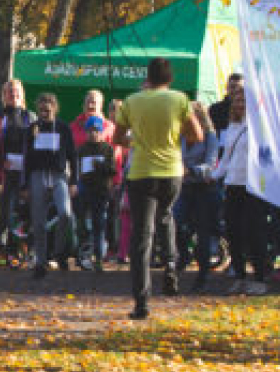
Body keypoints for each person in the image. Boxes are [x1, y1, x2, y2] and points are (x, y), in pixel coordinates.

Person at [113, 57, 204, 319]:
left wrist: (137, 138)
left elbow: (118, 138)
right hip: (172, 172)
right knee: (165, 217)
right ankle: (172, 266)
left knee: (142, 236)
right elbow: (196, 136)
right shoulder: (179, 100)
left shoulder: (132, 100)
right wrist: (173, 134)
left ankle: (142, 302)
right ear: (170, 78)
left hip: (142, 172)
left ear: (148, 77)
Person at [214, 88, 268, 296]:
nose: (239, 104)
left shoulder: (258, 127)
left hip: (253, 187)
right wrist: (215, 174)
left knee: (255, 232)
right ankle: (239, 276)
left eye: (244, 101)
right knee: (233, 232)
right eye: (236, 100)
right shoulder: (232, 127)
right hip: (233, 184)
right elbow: (226, 158)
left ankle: (260, 277)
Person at [22, 93, 76, 277]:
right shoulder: (33, 128)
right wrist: (24, 184)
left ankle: (59, 252)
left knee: (65, 214)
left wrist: (74, 181)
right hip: (37, 176)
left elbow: (72, 155)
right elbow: (27, 158)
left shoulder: (63, 128)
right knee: (38, 221)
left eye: (49, 107)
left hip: (59, 175)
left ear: (55, 107)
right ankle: (41, 260)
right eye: (42, 108)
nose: (45, 111)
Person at [175, 100, 220, 287]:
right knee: (176, 222)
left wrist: (191, 170)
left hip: (204, 188)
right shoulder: (181, 137)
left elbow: (210, 165)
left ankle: (203, 273)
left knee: (203, 231)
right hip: (184, 187)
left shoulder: (210, 137)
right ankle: (183, 254)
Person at [0, 79, 32, 262]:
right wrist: (1, 162)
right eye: (9, 91)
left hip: (25, 171)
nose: (13, 94)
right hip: (5, 171)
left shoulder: (30, 117)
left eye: (16, 91)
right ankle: (2, 250)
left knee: (23, 211)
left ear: (22, 94)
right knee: (5, 211)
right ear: (4, 96)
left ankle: (17, 249)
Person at [75, 116, 117, 272]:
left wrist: (99, 165)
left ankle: (99, 258)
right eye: (90, 131)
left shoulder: (107, 149)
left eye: (96, 131)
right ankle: (83, 256)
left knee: (99, 225)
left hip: (101, 191)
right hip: (84, 190)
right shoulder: (81, 149)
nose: (93, 134)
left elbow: (113, 170)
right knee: (81, 224)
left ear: (101, 132)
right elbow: (76, 169)